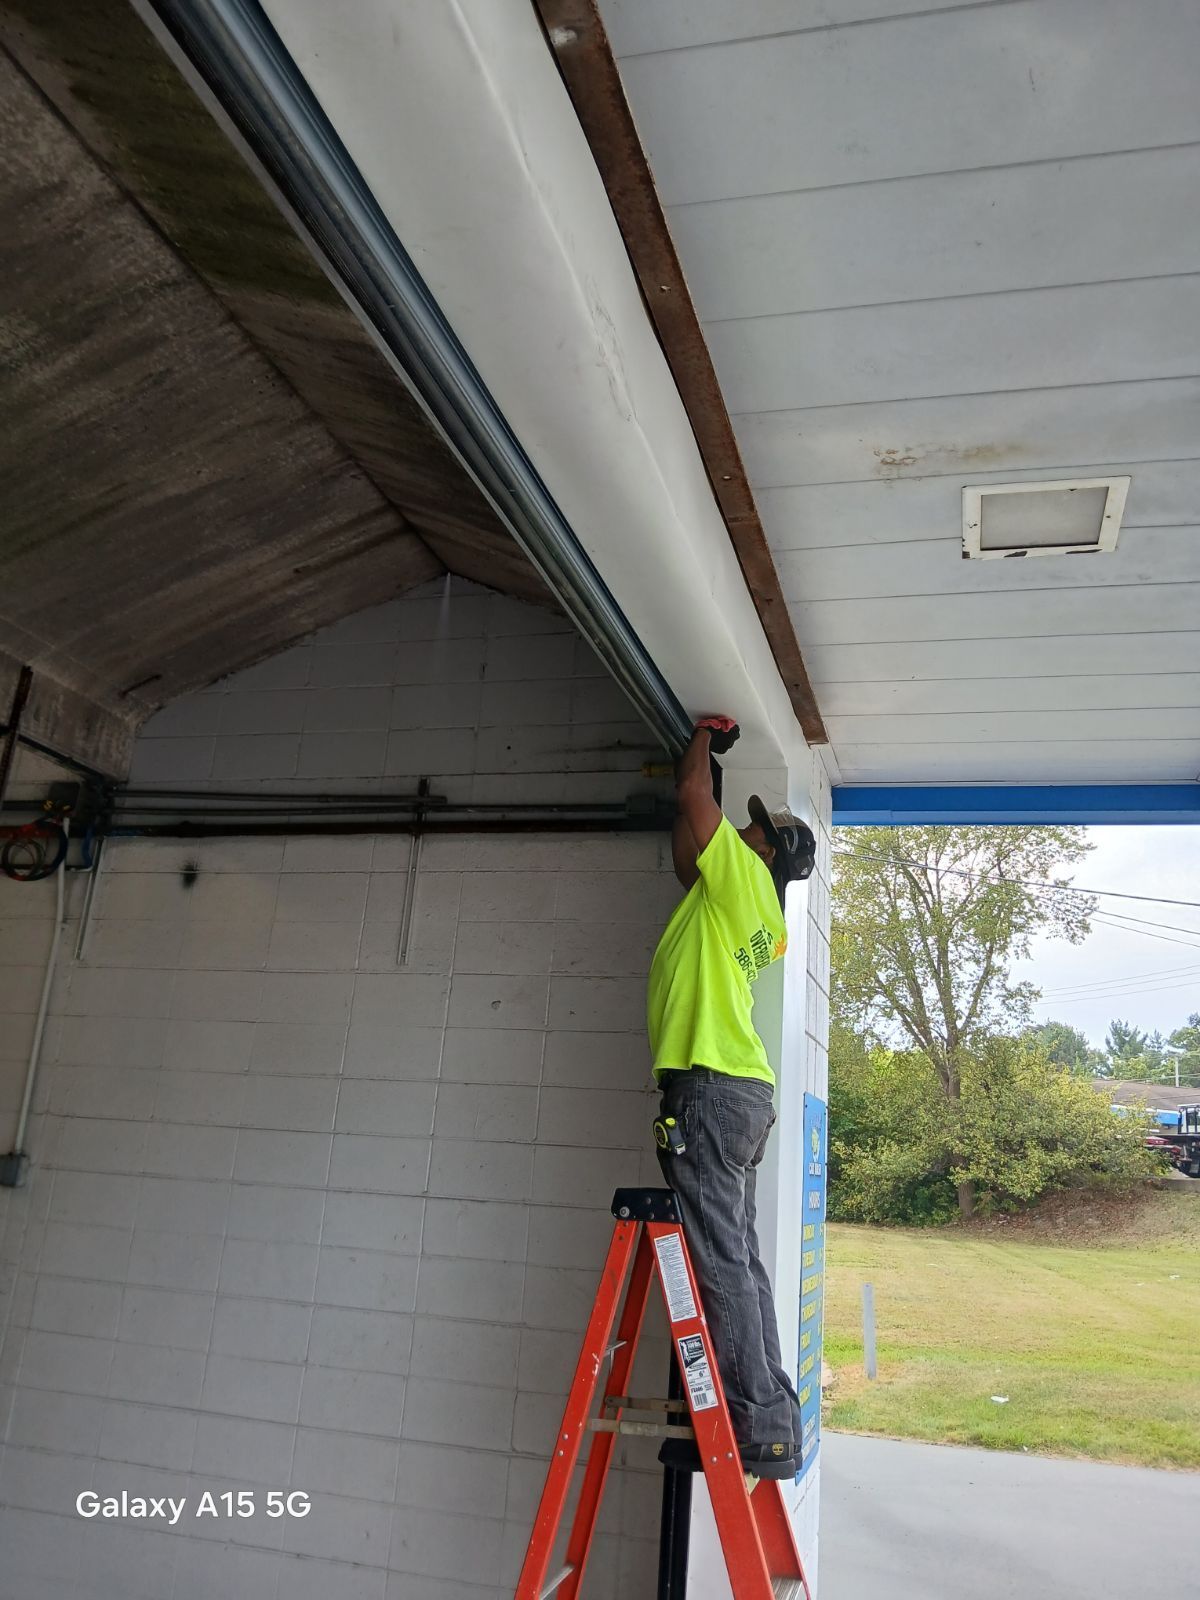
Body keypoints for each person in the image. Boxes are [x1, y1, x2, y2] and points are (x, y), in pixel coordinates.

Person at [647, 715, 815, 1479]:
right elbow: (689, 848)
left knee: (721, 1260)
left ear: (767, 854)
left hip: (712, 1091)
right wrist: (703, 776)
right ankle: (773, 1413)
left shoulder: (745, 882)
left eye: (757, 831)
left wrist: (701, 746)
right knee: (739, 1258)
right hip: (736, 1094)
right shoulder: (751, 911)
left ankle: (760, 1430)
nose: (743, 834)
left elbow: (689, 795)